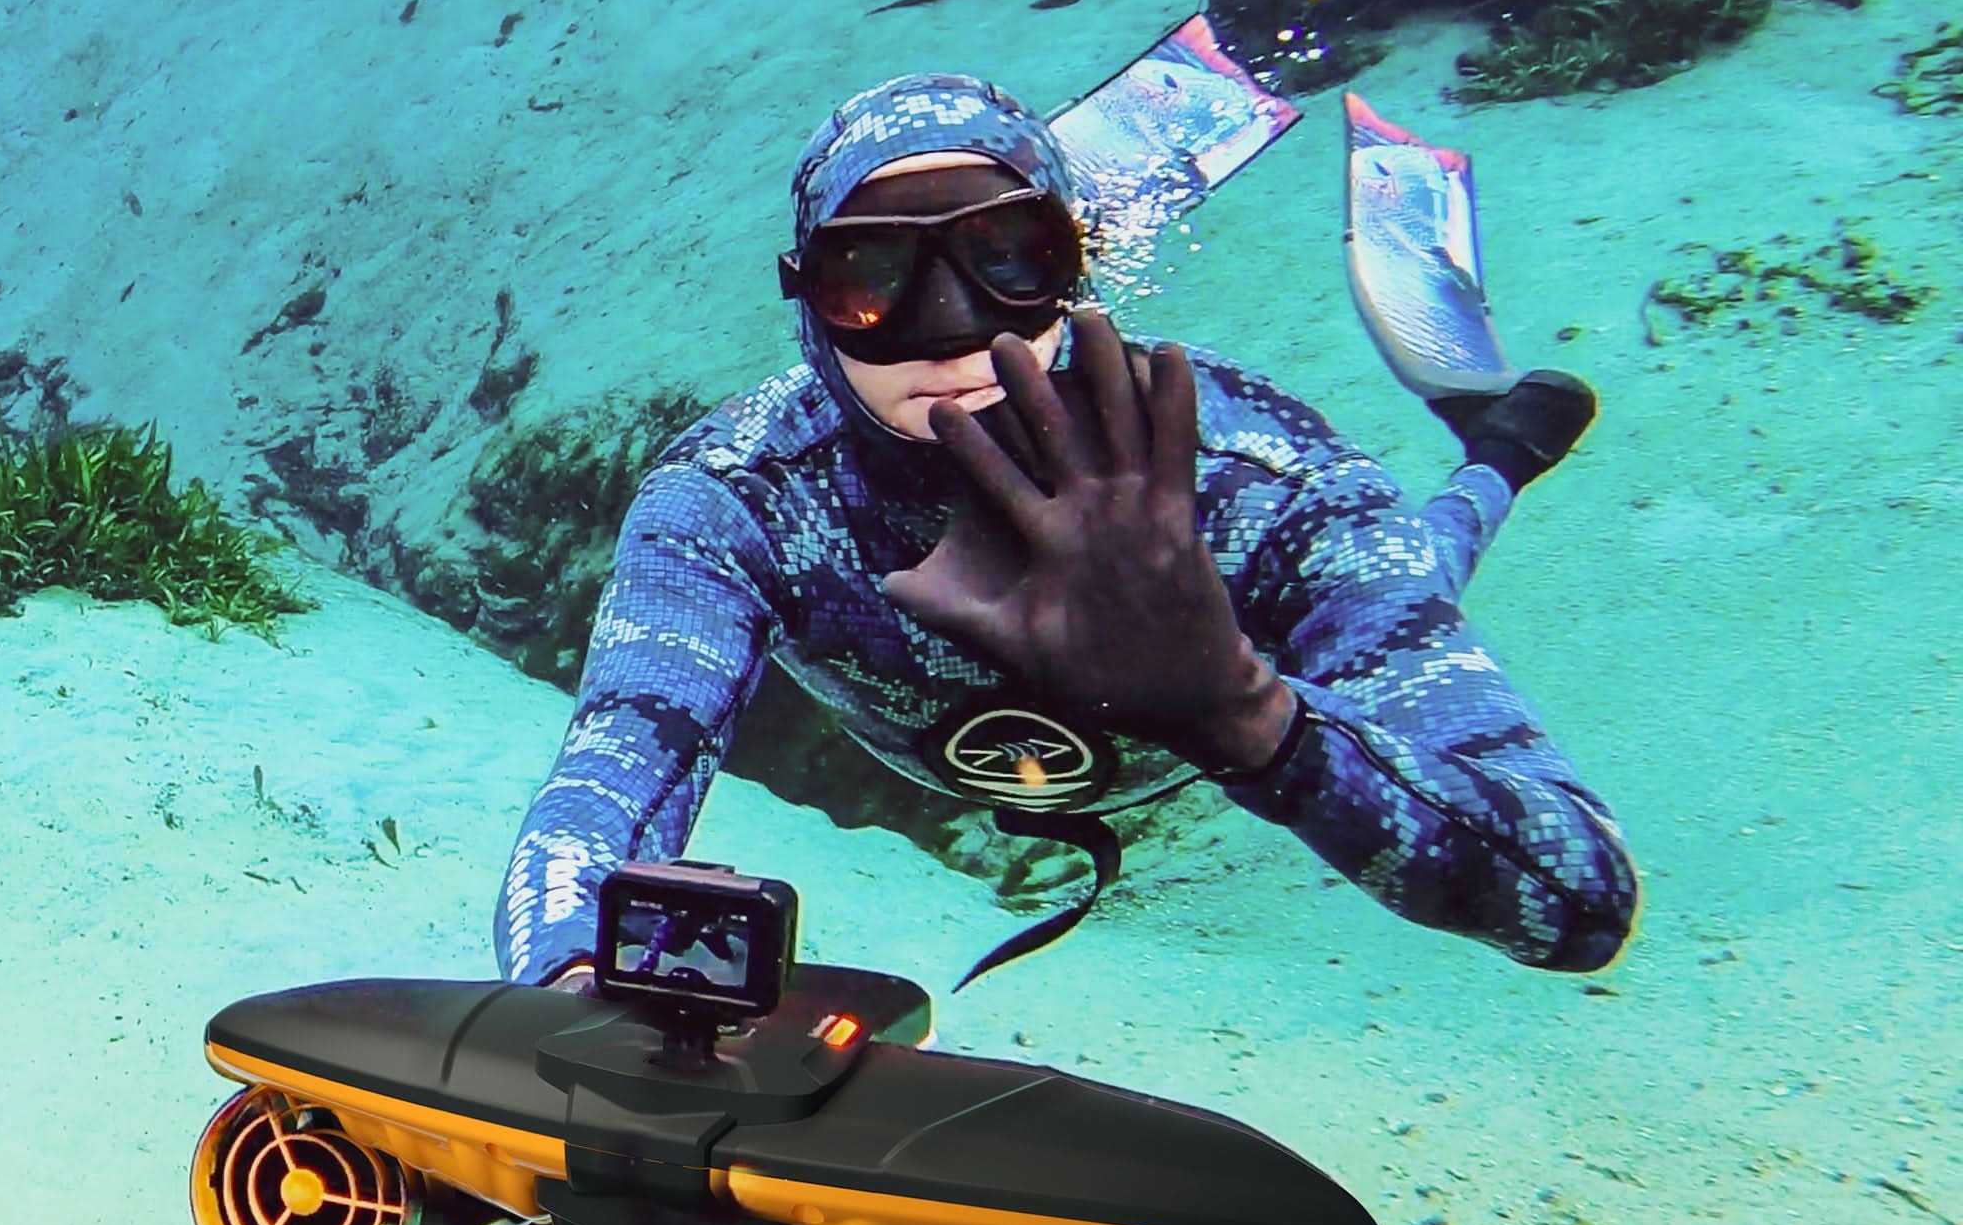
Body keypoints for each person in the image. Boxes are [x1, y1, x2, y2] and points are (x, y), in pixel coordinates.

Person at [496, 73, 1637, 996]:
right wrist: (568, 981)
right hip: (1037, 753)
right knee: (1399, 570)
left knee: (1420, 556)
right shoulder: (742, 494)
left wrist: (1242, 712)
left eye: (1005, 258)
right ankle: (1493, 450)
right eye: (871, 277)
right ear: (807, 300)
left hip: (1211, 715)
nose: (945, 330)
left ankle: (1498, 454)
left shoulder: (1256, 482)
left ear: (1069, 265)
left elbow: (1581, 899)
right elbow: (615, 764)